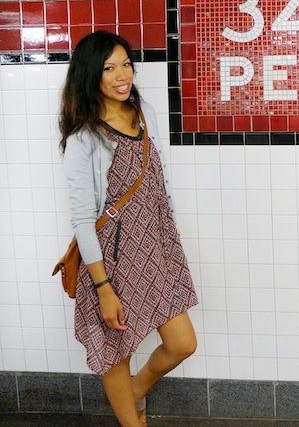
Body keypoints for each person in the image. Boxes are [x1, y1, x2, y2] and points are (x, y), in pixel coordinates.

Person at [59, 31, 198, 426]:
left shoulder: (145, 112)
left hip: (154, 248)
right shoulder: (83, 138)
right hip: (111, 260)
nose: (122, 75)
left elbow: (159, 177)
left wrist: (170, 233)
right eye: (109, 68)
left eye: (125, 64)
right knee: (116, 350)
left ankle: (135, 390)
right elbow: (84, 219)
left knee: (182, 343)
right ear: (90, 75)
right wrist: (103, 288)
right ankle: (130, 419)